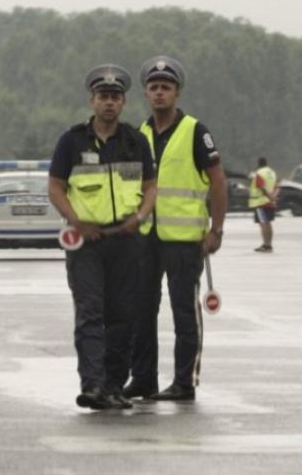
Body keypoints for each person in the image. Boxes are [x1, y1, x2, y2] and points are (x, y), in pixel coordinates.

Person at [48, 64, 157, 411]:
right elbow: (55, 188)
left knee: (123, 315)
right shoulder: (72, 141)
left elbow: (151, 186)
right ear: (92, 101)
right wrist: (76, 221)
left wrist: (139, 217)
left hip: (126, 240)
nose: (109, 103)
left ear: (123, 102)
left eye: (115, 97)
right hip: (87, 243)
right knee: (90, 313)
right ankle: (92, 384)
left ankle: (114, 386)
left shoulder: (135, 141)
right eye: (103, 97)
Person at [123, 55, 227, 403]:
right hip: (145, 240)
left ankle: (184, 382)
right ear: (146, 94)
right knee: (141, 309)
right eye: (153, 88)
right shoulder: (139, 134)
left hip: (184, 241)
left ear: (177, 93)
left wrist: (217, 230)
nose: (159, 94)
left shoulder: (196, 131)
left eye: (165, 88)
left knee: (184, 311)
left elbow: (218, 182)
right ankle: (143, 379)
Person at [249, 156, 278, 252]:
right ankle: (269, 244)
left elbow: (261, 186)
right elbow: (277, 187)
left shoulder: (259, 173)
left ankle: (266, 245)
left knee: (263, 224)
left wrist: (269, 196)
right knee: (268, 224)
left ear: (258, 164)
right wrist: (273, 196)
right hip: (270, 203)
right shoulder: (272, 173)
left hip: (261, 203)